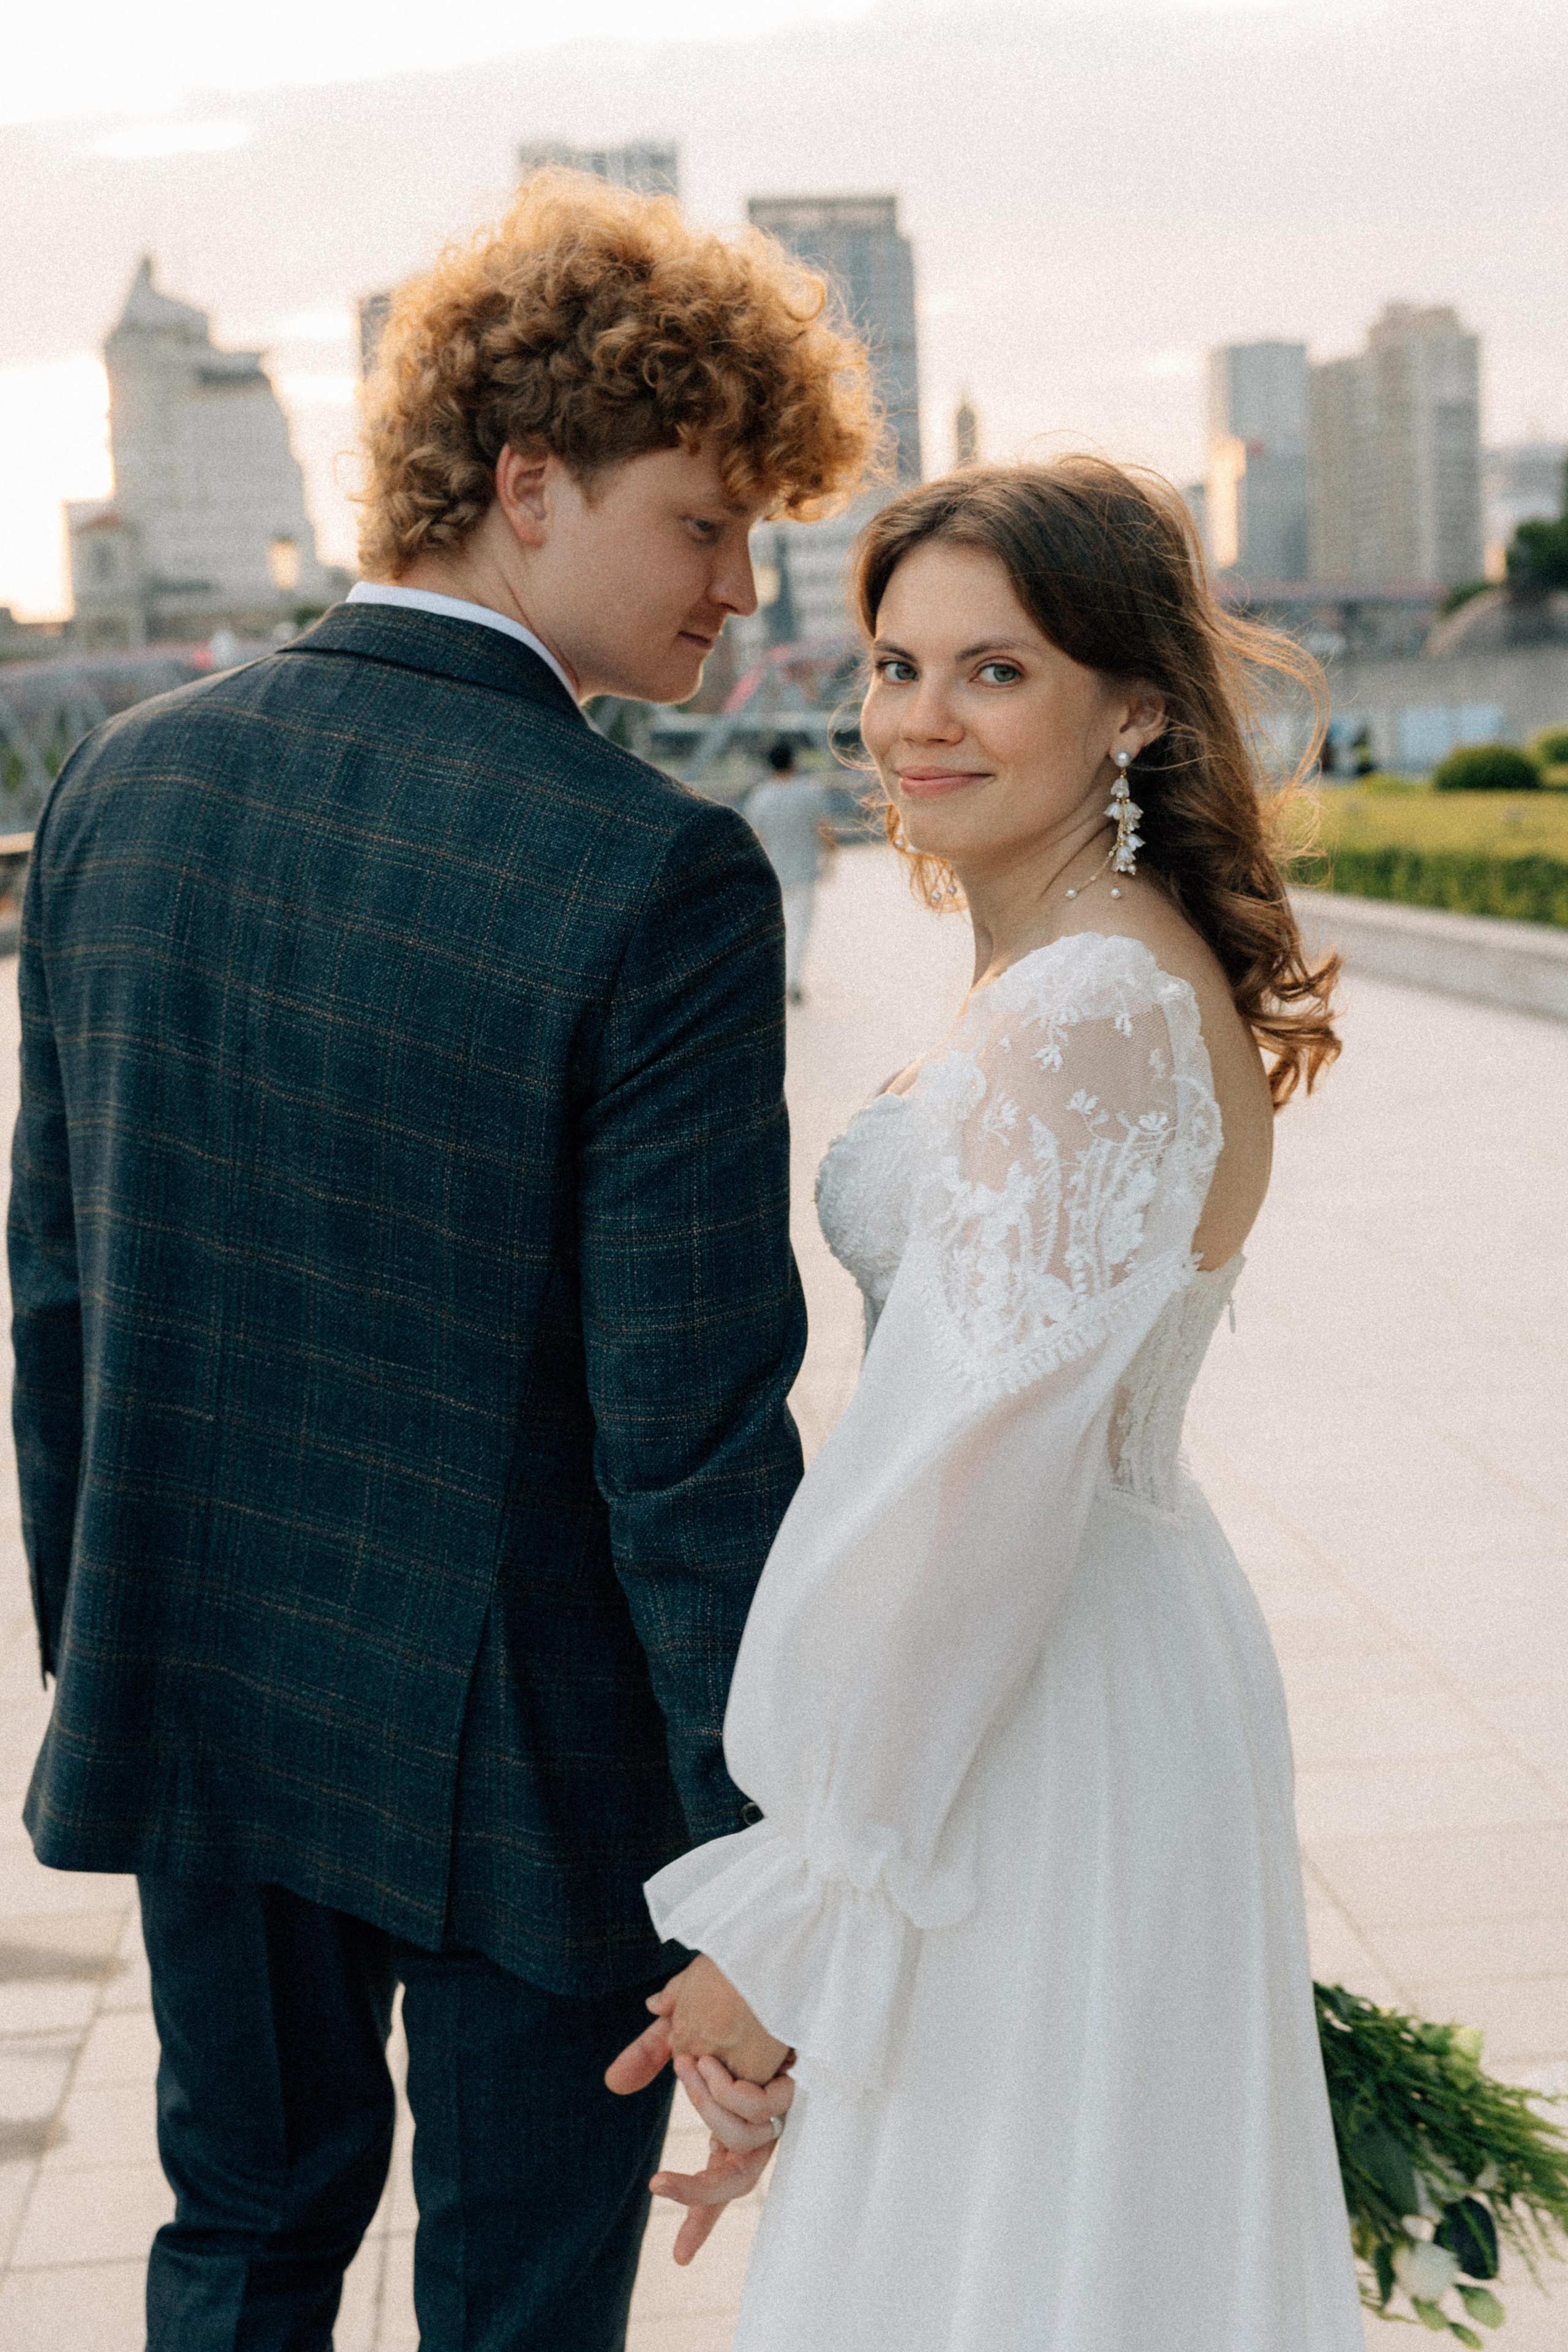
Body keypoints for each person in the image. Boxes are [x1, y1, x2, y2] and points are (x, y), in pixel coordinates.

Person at [9, 170, 870, 2352]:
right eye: (699, 521)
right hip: (533, 1766)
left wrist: (113, 1648)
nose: (735, 589)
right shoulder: (651, 874)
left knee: (238, 2240)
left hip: (206, 1692)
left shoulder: (121, 785)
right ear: (523, 482)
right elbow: (684, 1440)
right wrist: (747, 1865)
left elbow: (56, 1302)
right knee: (511, 2305)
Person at [616, 459, 1367, 2349]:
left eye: (992, 670)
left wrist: (794, 1917)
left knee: (1003, 2263)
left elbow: (965, 1492)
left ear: (1131, 703)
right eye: (889, 663)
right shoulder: (1091, 967)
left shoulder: (1081, 1007)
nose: (916, 718)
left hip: (1027, 1708)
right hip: (1086, 1669)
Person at [741, 739, 837, 1003]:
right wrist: (830, 860)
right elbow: (826, 831)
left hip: (772, 872)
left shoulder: (759, 796)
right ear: (793, 761)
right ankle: (793, 980)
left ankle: (775, 979)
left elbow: (756, 838)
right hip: (804, 871)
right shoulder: (810, 792)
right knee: (800, 928)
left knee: (775, 929)